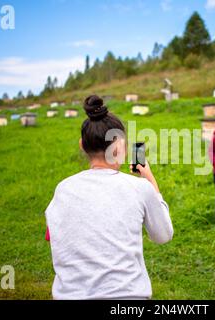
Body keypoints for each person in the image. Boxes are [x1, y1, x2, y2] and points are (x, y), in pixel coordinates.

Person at [44, 95, 173, 299]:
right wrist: (149, 177)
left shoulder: (63, 189)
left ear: (81, 144)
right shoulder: (139, 188)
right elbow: (163, 235)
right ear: (119, 147)